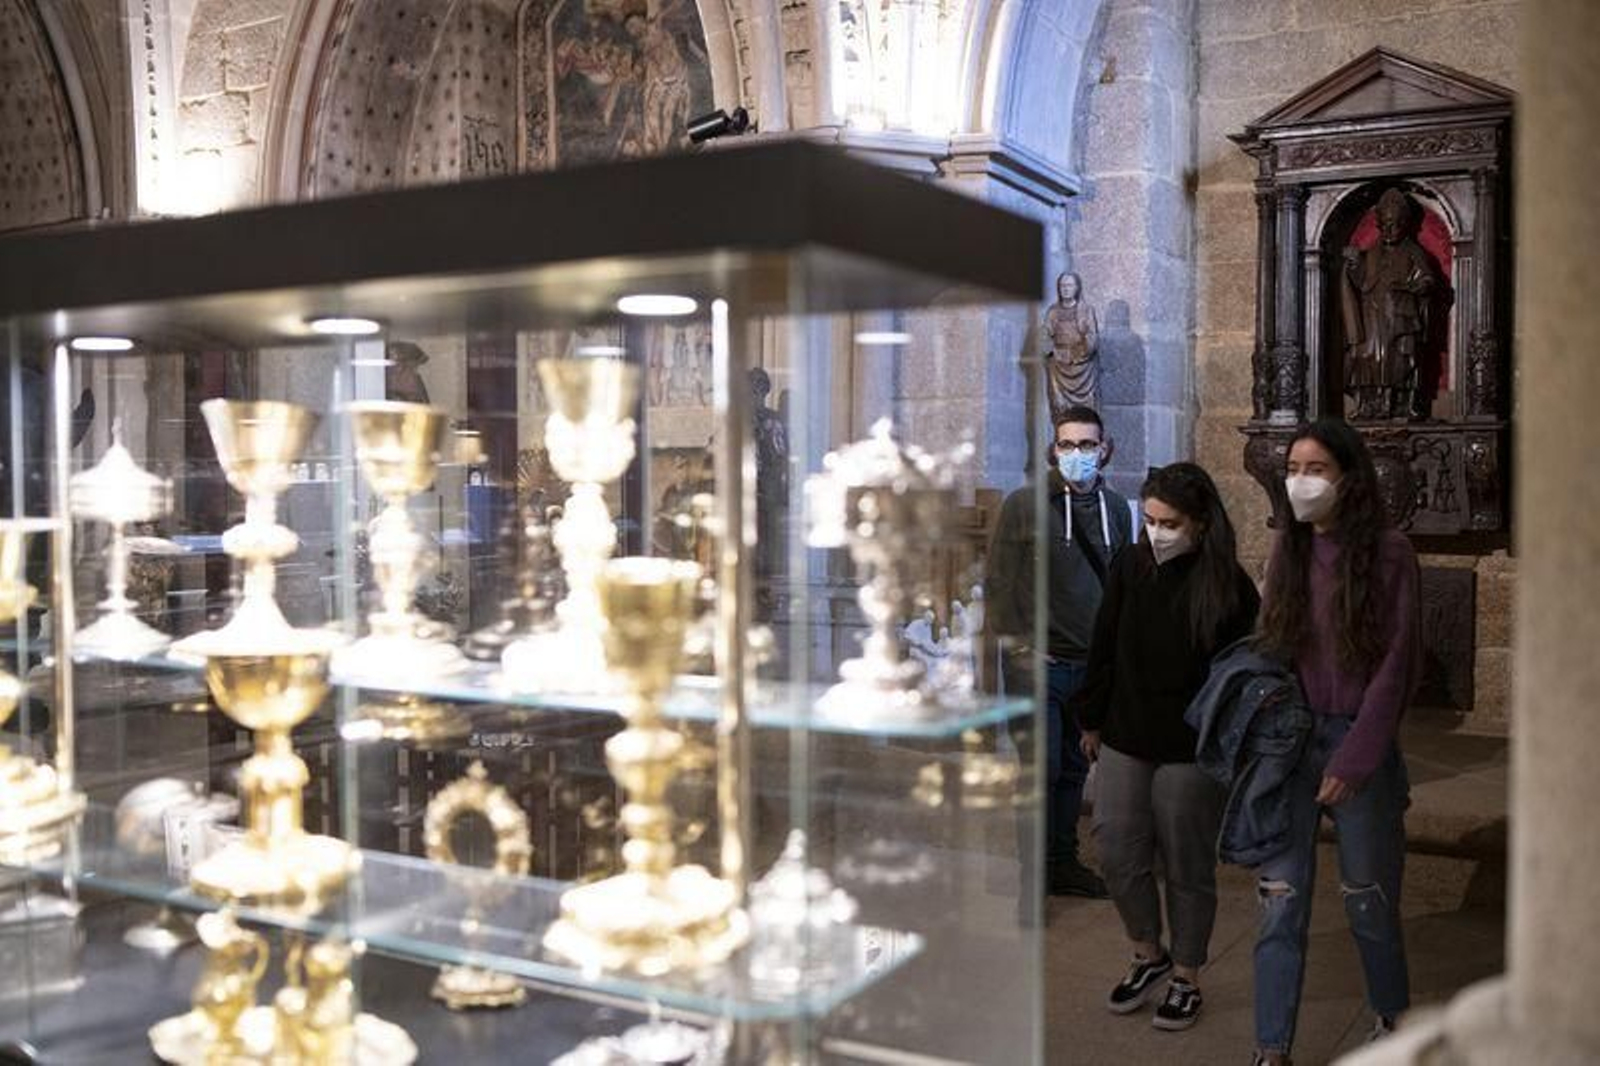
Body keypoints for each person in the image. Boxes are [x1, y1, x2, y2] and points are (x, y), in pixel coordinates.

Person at [1250, 418, 1420, 1065]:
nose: (1301, 481)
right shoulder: (1287, 549)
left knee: (1369, 900)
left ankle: (1391, 1018)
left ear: (1348, 478)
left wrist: (1355, 759)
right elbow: (1271, 648)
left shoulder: (1389, 551)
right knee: (1278, 904)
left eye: (1316, 469)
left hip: (1358, 743)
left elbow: (1397, 665)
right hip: (1291, 743)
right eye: (1294, 469)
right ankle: (1271, 1048)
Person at [1070, 463, 1260, 1031]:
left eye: (1169, 523)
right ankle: (1148, 954)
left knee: (1187, 864)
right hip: (1127, 732)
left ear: (1201, 525)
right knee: (1116, 850)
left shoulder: (1229, 586)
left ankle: (1186, 975)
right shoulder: (1131, 565)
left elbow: (1239, 677)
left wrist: (1227, 749)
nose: (1156, 533)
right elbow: (1104, 640)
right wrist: (1092, 718)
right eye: (1149, 520)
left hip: (1190, 748)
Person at [986, 405, 1133, 902]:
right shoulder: (1024, 505)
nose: (1077, 454)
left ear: (1105, 448)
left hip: (1089, 668)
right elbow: (999, 583)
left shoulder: (1116, 510)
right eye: (1067, 445)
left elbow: (1120, 589)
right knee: (1040, 770)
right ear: (1054, 448)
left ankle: (1061, 862)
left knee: (1073, 769)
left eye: (1087, 445)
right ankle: (1031, 873)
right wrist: (1020, 645)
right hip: (1039, 666)